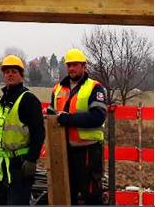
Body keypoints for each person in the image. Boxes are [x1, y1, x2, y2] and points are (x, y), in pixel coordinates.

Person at [0, 54, 45, 205]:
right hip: (3, 167)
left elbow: (39, 132)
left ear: (21, 75)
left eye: (14, 71)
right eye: (7, 71)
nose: (10, 74)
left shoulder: (29, 100)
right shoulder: (0, 102)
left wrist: (31, 159)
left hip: (21, 166)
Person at [48, 48, 107, 205]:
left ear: (83, 66)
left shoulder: (95, 87)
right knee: (67, 194)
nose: (71, 68)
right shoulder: (57, 89)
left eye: (75, 65)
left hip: (88, 151)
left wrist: (69, 119)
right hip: (63, 151)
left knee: (91, 196)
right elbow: (53, 114)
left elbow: (98, 116)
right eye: (69, 65)